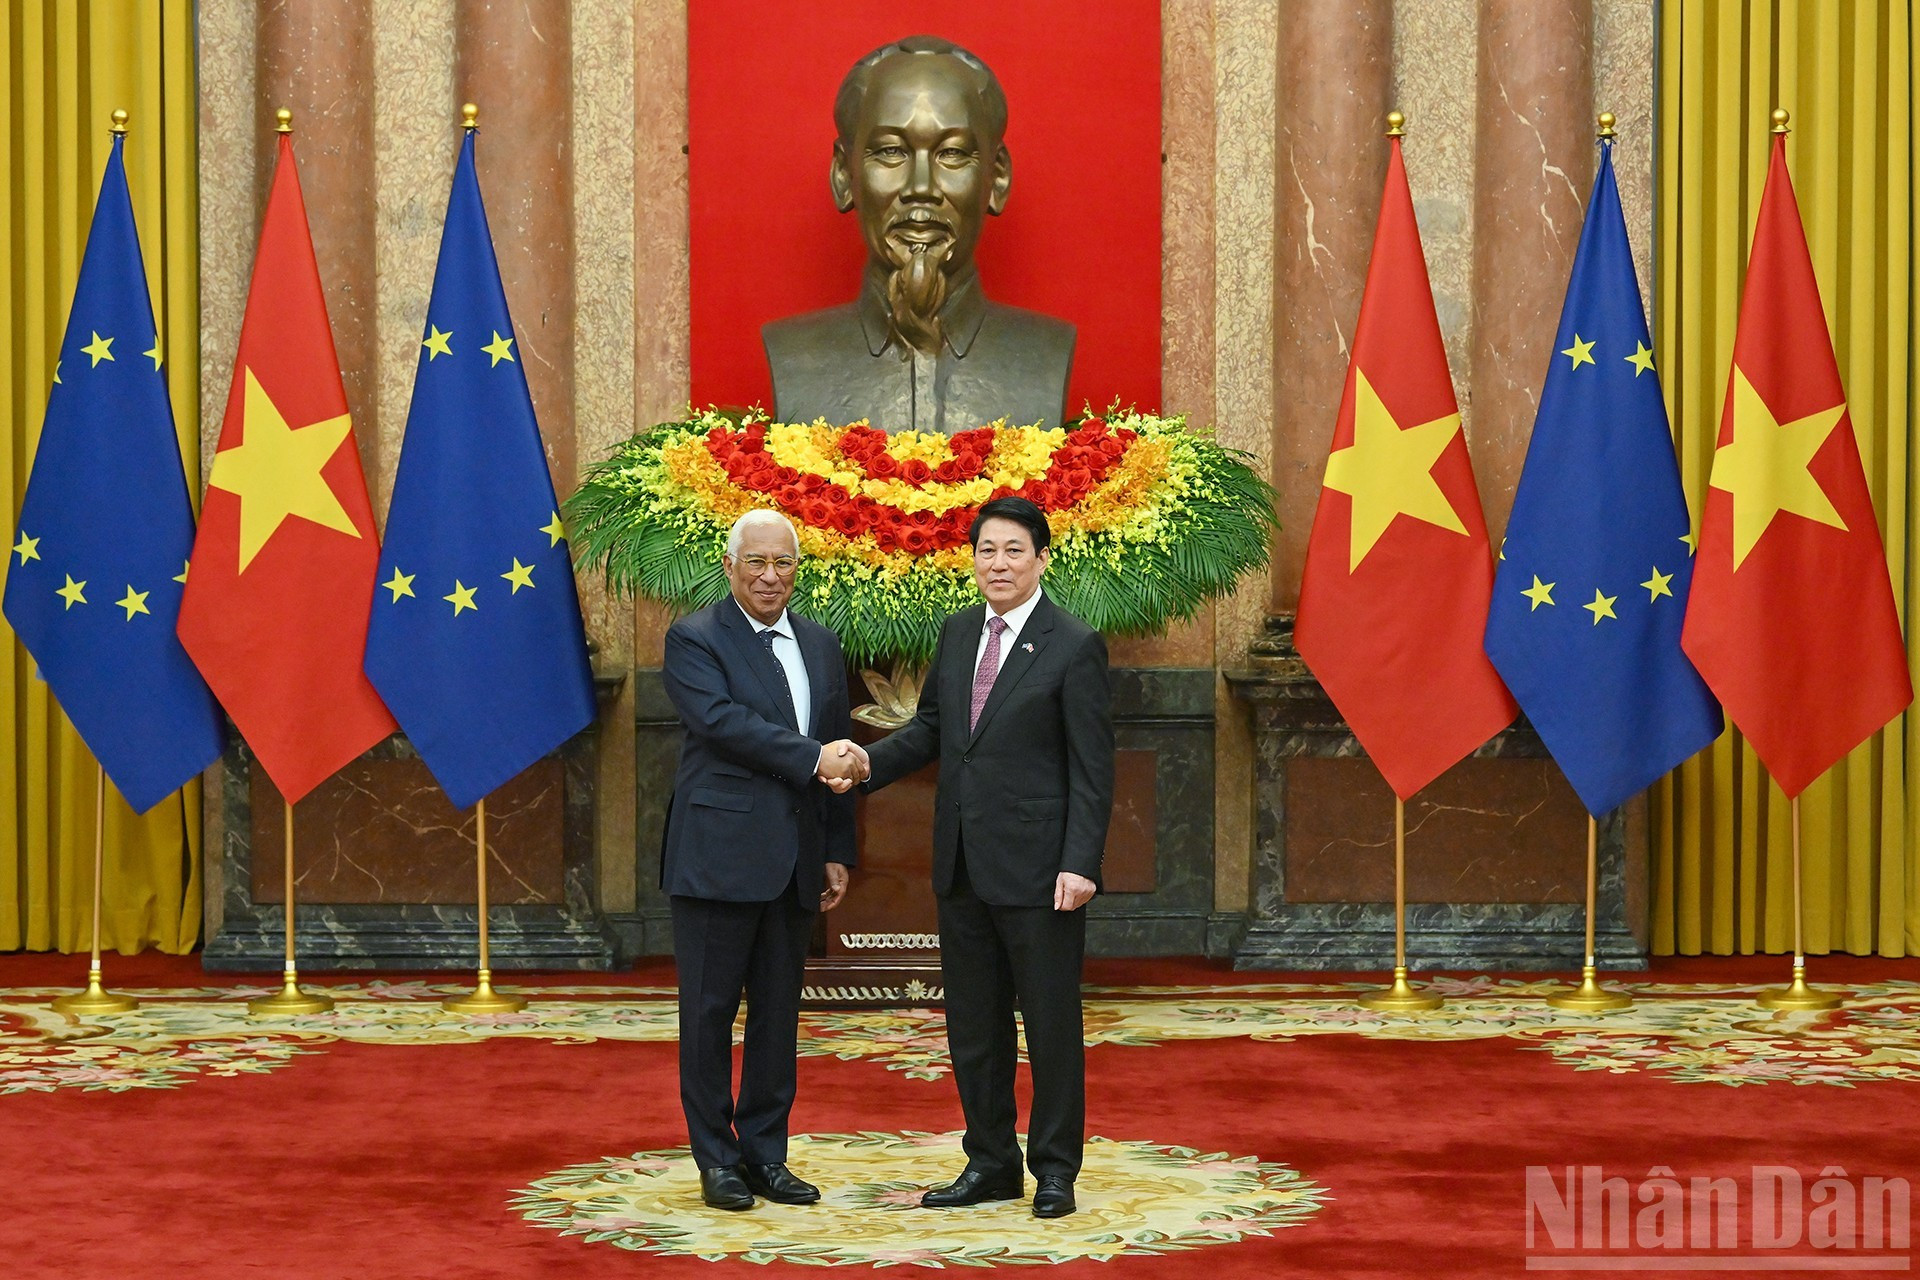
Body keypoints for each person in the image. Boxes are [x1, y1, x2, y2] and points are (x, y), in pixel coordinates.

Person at [852, 495, 1114, 1218]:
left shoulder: (1074, 643)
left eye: (1013, 550)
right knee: (974, 1026)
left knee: (1050, 1026)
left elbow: (1093, 768)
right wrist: (863, 764)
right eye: (986, 550)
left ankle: (1054, 1169)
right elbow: (931, 730)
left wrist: (1081, 862)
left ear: (1042, 559)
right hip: (963, 863)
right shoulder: (960, 630)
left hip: (1042, 871)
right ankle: (991, 1162)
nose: (998, 564)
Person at [659, 509, 868, 1211]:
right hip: (717, 859)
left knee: (778, 1018)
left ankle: (766, 1155)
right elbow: (723, 724)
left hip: (796, 861)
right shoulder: (695, 638)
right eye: (756, 562)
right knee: (709, 1014)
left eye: (783, 563)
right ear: (729, 567)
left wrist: (836, 849)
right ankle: (716, 1160)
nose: (770, 576)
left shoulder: (821, 643)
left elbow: (836, 744)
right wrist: (813, 758)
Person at [762, 35, 1075, 435]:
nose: (921, 187)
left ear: (996, 178)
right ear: (844, 175)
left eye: (952, 153)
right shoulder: (794, 355)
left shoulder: (1046, 353)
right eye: (891, 151)